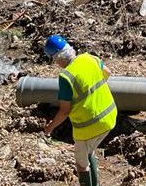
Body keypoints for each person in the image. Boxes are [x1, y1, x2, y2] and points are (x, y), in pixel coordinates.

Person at [42, 35, 116, 186]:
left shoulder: (66, 76)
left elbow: (64, 111)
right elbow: (107, 73)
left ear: (57, 57)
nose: (56, 64)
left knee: (82, 164)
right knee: (89, 153)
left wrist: (50, 128)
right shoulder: (90, 58)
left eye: (54, 60)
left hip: (88, 126)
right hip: (110, 116)